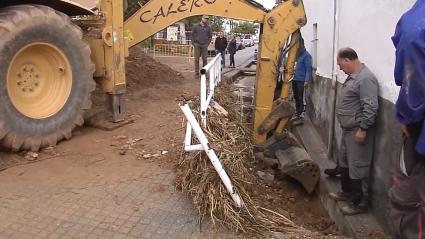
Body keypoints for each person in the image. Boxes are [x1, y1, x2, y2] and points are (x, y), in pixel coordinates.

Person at [389, 1, 425, 237]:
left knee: (408, 202)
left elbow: (411, 53)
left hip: (420, 133)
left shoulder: (417, 20)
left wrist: (407, 115)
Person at [329, 48, 379, 215]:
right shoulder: (353, 77)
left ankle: (359, 203)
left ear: (348, 60)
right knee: (344, 162)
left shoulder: (365, 79)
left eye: (340, 65)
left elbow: (370, 107)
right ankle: (347, 192)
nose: (340, 68)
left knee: (358, 166)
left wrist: (363, 129)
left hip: (358, 131)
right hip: (348, 129)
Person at [292, 39, 312, 123]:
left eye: (298, 45)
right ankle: (297, 112)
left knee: (301, 97)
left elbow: (308, 69)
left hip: (301, 80)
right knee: (296, 97)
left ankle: (301, 115)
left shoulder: (306, 55)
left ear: (302, 45)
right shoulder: (298, 55)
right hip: (295, 79)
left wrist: (306, 80)